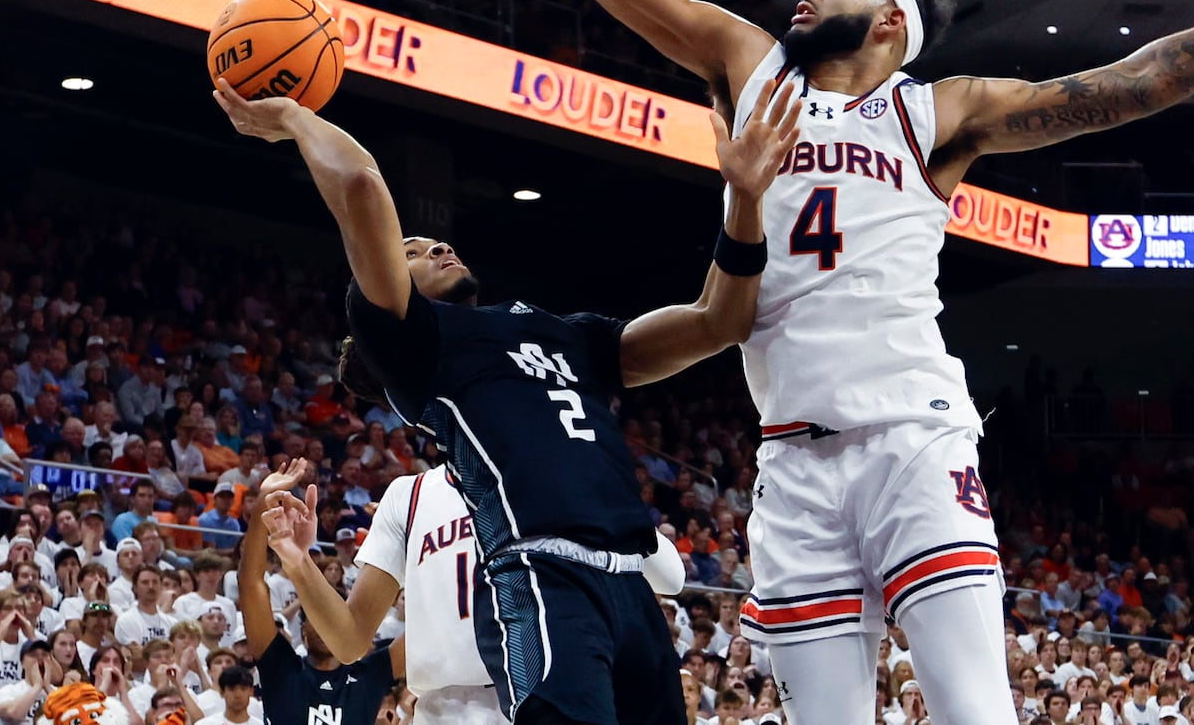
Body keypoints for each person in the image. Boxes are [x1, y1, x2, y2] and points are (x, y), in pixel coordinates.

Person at [360, 0, 1194, 725]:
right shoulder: (749, 64)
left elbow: (1132, 85)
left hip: (912, 435)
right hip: (792, 460)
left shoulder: (937, 113)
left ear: (889, 27)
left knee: (970, 708)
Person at [213, 56, 797, 725]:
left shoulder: (563, 334)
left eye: (435, 240)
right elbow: (360, 184)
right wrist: (291, 114)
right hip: (537, 589)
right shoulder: (422, 351)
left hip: (625, 594)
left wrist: (746, 201)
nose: (434, 248)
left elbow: (719, 320)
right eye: (411, 249)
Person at [262, 464, 502, 725]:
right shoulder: (409, 495)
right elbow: (349, 641)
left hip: (530, 696)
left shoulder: (543, 475)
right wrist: (299, 562)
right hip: (441, 708)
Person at [235, 465, 397, 725]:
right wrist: (262, 507)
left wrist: (401, 538)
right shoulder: (281, 666)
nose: (325, 624)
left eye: (334, 614)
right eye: (316, 617)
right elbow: (251, 583)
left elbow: (431, 628)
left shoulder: (370, 674)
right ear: (303, 631)